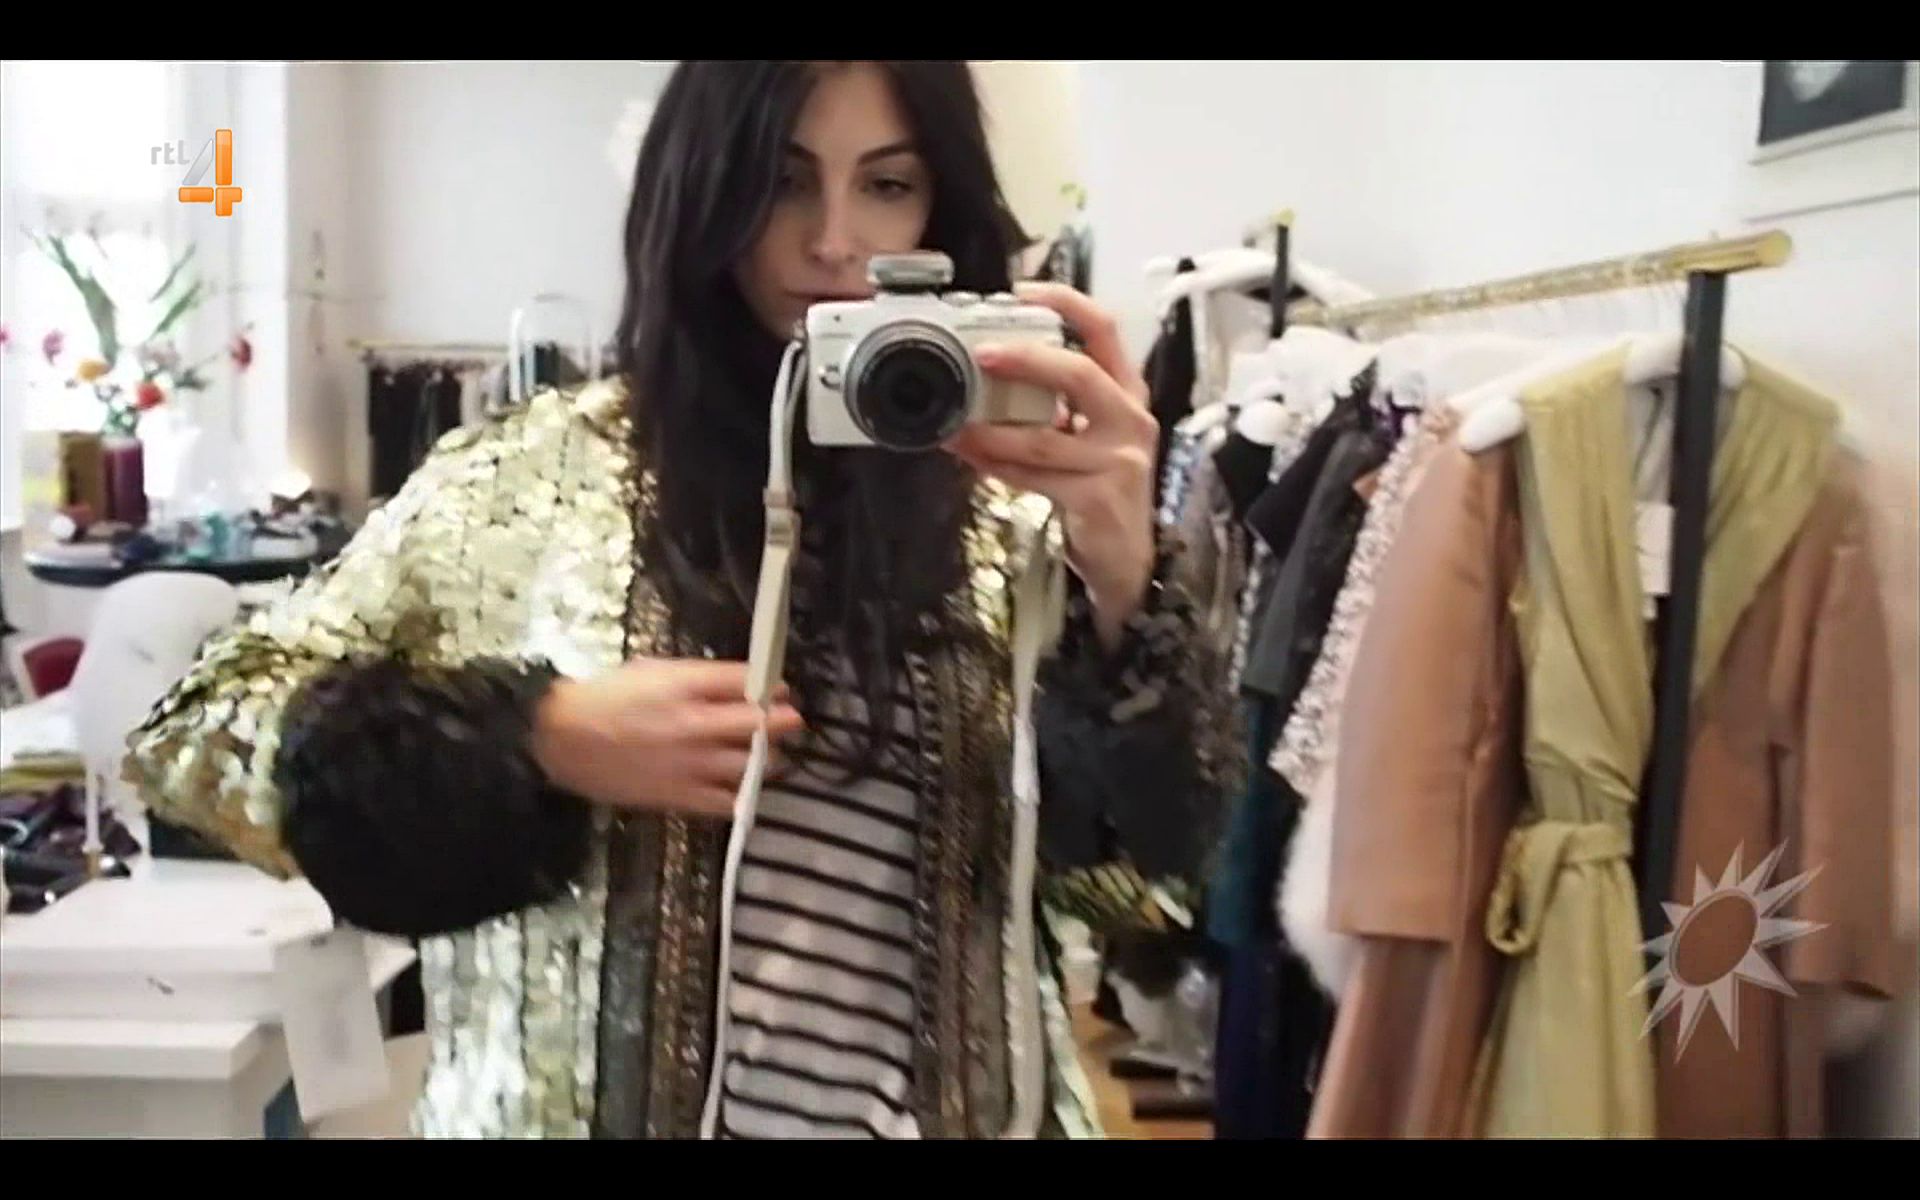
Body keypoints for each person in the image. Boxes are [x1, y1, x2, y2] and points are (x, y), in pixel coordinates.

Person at [123, 60, 1238, 1140]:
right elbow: (199, 734)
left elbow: (1139, 894)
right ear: (702, 185)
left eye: (888, 183)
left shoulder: (1012, 497)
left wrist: (1125, 587)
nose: (835, 240)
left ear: (940, 208)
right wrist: (538, 737)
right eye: (783, 179)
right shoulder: (536, 470)